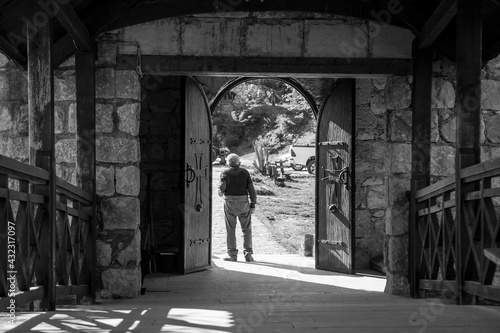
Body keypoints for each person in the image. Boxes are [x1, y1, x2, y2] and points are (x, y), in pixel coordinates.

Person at [218, 153, 257, 262]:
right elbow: (251, 190)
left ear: (228, 163)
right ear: (239, 162)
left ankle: (232, 255)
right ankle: (248, 254)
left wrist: (220, 191)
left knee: (230, 229)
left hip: (229, 203)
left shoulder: (225, 173)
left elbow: (222, 189)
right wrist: (253, 204)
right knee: (246, 229)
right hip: (243, 202)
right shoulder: (245, 173)